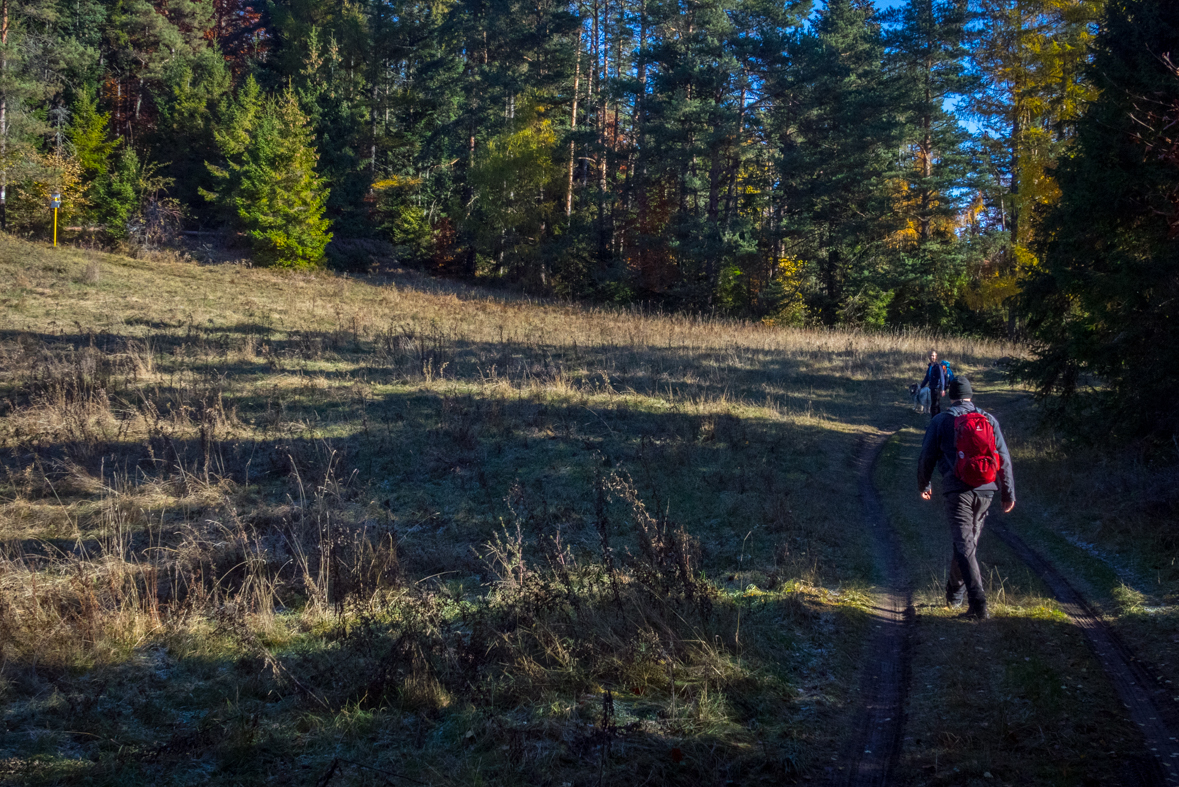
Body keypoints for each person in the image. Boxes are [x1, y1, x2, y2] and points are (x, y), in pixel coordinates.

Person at [917, 377, 1016, 620]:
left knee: (964, 545)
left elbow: (926, 456)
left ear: (950, 396)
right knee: (966, 544)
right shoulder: (989, 420)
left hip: (957, 490)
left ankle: (979, 604)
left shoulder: (941, 421)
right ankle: (954, 597)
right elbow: (1003, 458)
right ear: (971, 395)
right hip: (986, 490)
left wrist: (924, 483)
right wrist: (1007, 493)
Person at [919, 350, 950, 417]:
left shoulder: (938, 366)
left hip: (937, 388)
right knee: (935, 405)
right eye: (931, 355)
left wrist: (942, 389)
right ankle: (937, 420)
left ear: (936, 357)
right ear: (929, 357)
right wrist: (921, 387)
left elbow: (942, 377)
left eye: (933, 356)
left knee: (935, 405)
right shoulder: (930, 367)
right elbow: (926, 378)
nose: (932, 357)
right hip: (932, 388)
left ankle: (934, 421)